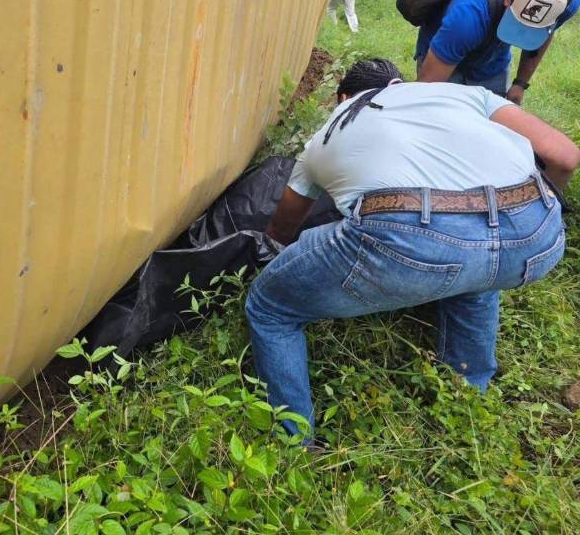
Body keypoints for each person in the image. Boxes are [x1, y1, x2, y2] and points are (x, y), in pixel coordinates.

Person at [245, 59, 580, 437]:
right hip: (538, 236)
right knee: (477, 279)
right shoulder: (465, 95)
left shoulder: (328, 133)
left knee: (270, 306)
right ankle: (468, 400)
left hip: (411, 239)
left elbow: (282, 228)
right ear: (398, 85)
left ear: (342, 98)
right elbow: (565, 157)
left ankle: (295, 441)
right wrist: (525, 219)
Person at [416, 0, 579, 104]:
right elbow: (424, 93)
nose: (520, 36)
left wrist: (520, 84)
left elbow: (545, 34)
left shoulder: (567, 1)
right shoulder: (469, 15)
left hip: (492, 58)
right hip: (444, 51)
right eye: (516, 22)